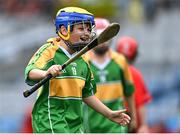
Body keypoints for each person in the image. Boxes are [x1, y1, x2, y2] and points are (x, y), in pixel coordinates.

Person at [24, 7, 131, 133]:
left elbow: (87, 94)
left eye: (88, 29)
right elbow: (30, 72)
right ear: (64, 30)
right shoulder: (50, 50)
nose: (86, 33)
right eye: (81, 28)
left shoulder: (83, 61)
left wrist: (109, 114)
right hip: (51, 118)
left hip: (75, 122)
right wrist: (46, 73)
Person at [83, 18, 137, 133]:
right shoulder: (83, 62)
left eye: (106, 37)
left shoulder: (120, 61)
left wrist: (134, 119)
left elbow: (129, 92)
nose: (104, 41)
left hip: (117, 125)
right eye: (100, 36)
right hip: (90, 125)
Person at [116, 36, 152, 133]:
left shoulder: (111, 70)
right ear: (134, 56)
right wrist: (143, 125)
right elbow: (141, 104)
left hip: (114, 121)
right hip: (130, 122)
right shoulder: (135, 74)